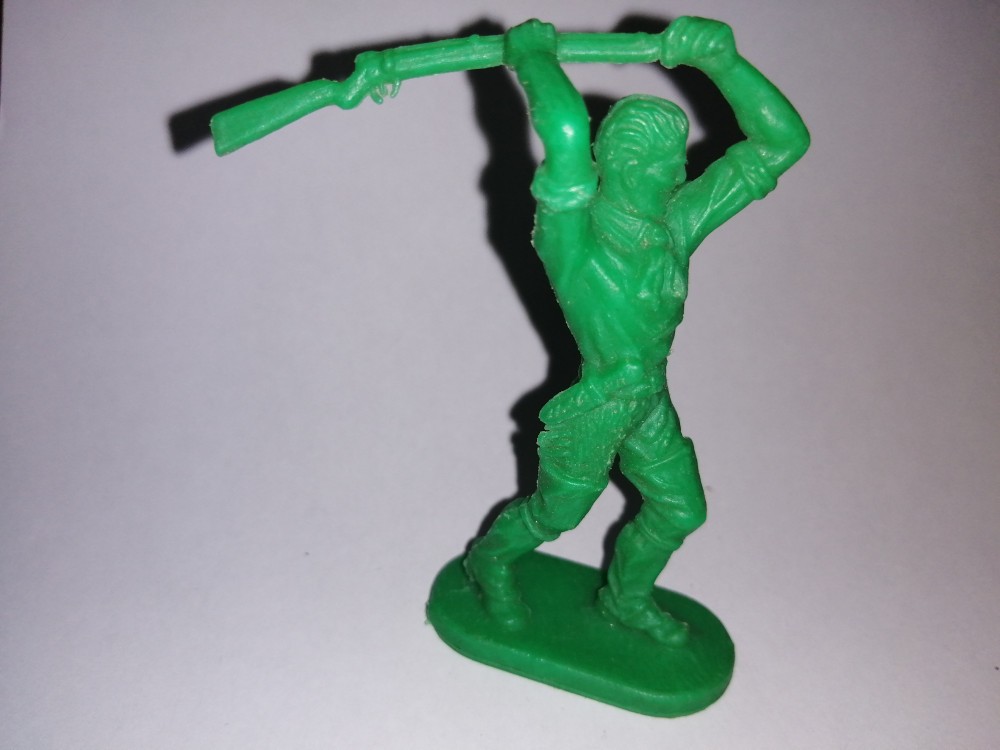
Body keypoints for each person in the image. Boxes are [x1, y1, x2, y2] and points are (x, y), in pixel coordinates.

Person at [464, 16, 810, 645]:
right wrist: (533, 58)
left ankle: (625, 601)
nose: (678, 177)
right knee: (556, 515)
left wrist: (722, 62)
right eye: (665, 166)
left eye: (679, 165)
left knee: (681, 510)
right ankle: (489, 562)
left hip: (649, 401)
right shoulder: (573, 240)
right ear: (623, 165)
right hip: (597, 408)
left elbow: (782, 143)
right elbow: (567, 134)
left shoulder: (675, 225)